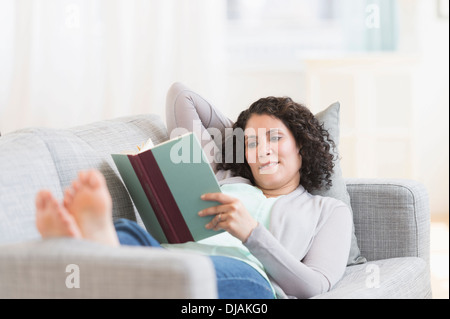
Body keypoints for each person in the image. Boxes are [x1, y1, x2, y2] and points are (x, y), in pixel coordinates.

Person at [35, 82, 352, 299]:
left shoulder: (327, 211)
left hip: (249, 277)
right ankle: (102, 246)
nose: (263, 150)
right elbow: (181, 95)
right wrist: (239, 134)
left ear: (301, 143)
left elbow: (314, 285)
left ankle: (95, 254)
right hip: (170, 256)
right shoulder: (221, 175)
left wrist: (252, 233)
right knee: (125, 228)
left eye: (276, 138)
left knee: (175, 265)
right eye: (253, 143)